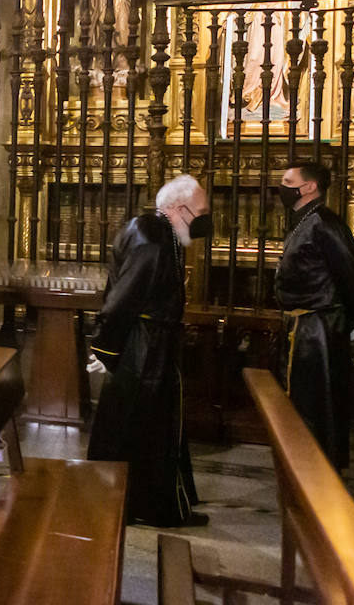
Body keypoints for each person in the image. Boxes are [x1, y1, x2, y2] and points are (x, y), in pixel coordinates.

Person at [87, 174, 212, 527]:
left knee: (152, 430)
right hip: (142, 350)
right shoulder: (151, 238)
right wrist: (103, 349)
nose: (203, 219)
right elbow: (122, 298)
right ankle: (128, 505)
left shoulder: (161, 234)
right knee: (135, 428)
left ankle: (151, 504)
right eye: (199, 211)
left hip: (152, 345)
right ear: (175, 208)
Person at [274, 161, 354, 470]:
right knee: (301, 403)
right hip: (305, 326)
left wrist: (352, 325)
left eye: (288, 181)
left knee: (317, 406)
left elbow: (350, 277)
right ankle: (302, 468)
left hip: (321, 329)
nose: (281, 186)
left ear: (310, 186)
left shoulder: (324, 223)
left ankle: (317, 473)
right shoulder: (303, 220)